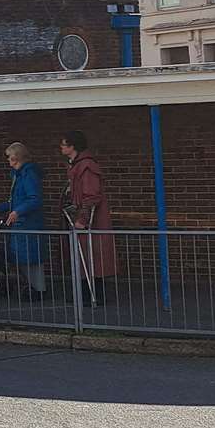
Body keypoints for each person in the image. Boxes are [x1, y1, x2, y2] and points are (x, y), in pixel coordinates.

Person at [60, 130, 119, 306]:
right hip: (79, 216)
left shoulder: (86, 166)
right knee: (84, 256)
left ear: (73, 146)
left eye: (64, 144)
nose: (61, 148)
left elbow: (92, 195)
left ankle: (92, 295)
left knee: (91, 256)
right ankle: (85, 293)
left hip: (87, 220)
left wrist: (83, 219)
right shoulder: (77, 165)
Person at [0, 142, 47, 300]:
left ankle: (36, 290)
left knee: (30, 260)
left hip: (28, 223)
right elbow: (16, 200)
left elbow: (34, 199)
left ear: (17, 158)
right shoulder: (20, 175)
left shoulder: (27, 175)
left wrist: (17, 211)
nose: (8, 161)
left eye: (10, 158)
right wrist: (0, 208)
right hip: (22, 223)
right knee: (25, 259)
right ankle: (30, 288)